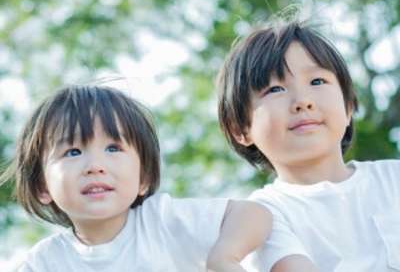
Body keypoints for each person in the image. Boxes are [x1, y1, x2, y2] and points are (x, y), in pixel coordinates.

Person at [0, 85, 269, 272]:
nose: (95, 166)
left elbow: (253, 214)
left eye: (113, 148)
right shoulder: (46, 262)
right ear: (41, 186)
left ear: (144, 177)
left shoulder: (161, 221)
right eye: (72, 151)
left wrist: (223, 257)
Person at [216, 18, 400, 272]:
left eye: (317, 82)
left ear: (348, 108)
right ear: (240, 128)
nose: (303, 101)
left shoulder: (393, 178)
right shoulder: (262, 216)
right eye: (275, 89)